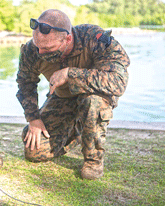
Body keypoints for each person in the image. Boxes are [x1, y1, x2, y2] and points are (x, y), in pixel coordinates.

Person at [16, 9, 130, 180]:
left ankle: (93, 160)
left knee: (92, 101)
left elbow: (118, 81)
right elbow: (25, 83)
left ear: (67, 39)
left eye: (47, 48)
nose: (40, 53)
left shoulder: (95, 39)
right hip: (62, 98)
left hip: (94, 99)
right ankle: (78, 131)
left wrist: (70, 74)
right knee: (35, 151)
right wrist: (33, 118)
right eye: (38, 46)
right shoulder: (33, 50)